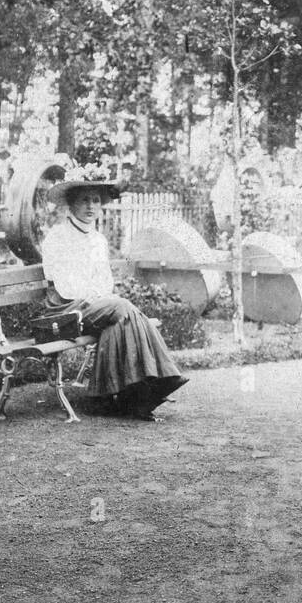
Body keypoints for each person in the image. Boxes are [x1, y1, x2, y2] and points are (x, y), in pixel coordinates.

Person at [40, 174, 187, 421]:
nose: (90, 206)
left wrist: (98, 297)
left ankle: (112, 397)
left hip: (95, 306)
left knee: (120, 320)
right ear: (71, 204)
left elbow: (105, 281)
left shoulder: (98, 240)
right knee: (122, 308)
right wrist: (92, 297)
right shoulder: (57, 237)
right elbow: (62, 284)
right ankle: (160, 379)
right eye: (84, 200)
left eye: (96, 200)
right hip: (64, 310)